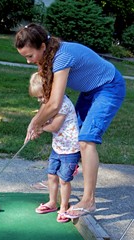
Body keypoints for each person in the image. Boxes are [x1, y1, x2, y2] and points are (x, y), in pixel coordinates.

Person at [15, 23, 126, 219]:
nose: (28, 61)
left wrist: (34, 122)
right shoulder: (45, 58)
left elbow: (55, 104)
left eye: (30, 56)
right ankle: (61, 177)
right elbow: (48, 98)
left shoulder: (62, 57)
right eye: (25, 57)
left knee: (86, 140)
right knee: (75, 135)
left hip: (109, 87)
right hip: (90, 90)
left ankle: (89, 200)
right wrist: (39, 123)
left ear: (42, 46)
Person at [29, 72, 80, 223]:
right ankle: (52, 202)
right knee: (52, 175)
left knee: (64, 180)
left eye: (41, 96)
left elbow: (55, 125)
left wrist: (40, 128)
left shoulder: (63, 103)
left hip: (70, 149)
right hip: (58, 147)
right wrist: (36, 126)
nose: (40, 100)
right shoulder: (50, 103)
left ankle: (64, 207)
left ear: (51, 89)